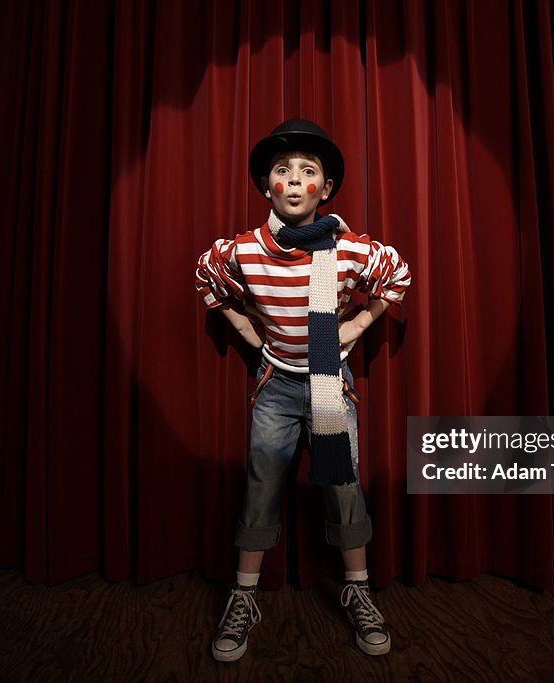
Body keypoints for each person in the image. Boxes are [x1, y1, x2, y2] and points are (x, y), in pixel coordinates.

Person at [194, 119, 411, 661]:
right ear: (267, 185)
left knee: (343, 486)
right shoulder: (244, 251)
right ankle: (243, 599)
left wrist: (356, 327)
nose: (294, 181)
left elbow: (398, 274)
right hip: (276, 389)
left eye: (307, 172)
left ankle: (357, 591)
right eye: (282, 171)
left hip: (329, 387)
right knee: (262, 484)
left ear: (326, 188)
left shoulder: (348, 249)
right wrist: (250, 333)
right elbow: (208, 280)